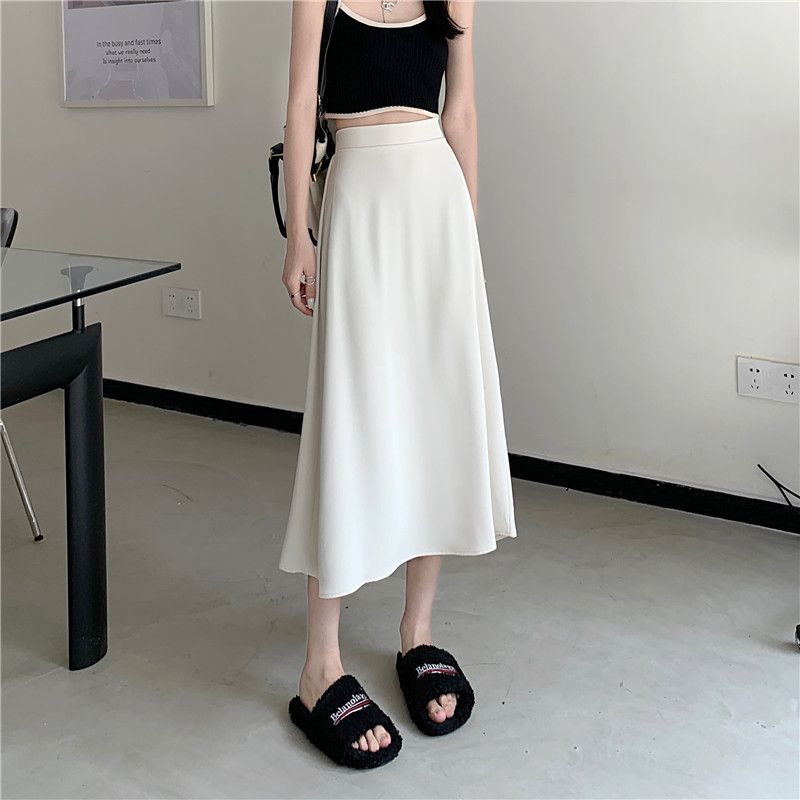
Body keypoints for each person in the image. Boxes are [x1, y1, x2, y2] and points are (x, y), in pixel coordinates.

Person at [278, 0, 517, 769]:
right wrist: (298, 234)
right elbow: (300, 108)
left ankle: (418, 633)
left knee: (434, 418)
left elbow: (461, 113)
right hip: (357, 202)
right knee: (350, 419)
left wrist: (467, 240)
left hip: (437, 210)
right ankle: (320, 665)